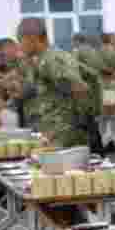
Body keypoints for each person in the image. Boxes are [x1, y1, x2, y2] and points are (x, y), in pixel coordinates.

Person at [17, 18, 91, 148]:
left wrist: (68, 127)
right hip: (51, 133)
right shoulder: (43, 59)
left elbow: (80, 89)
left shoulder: (53, 59)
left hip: (62, 137)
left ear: (32, 38)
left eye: (21, 41)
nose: (20, 46)